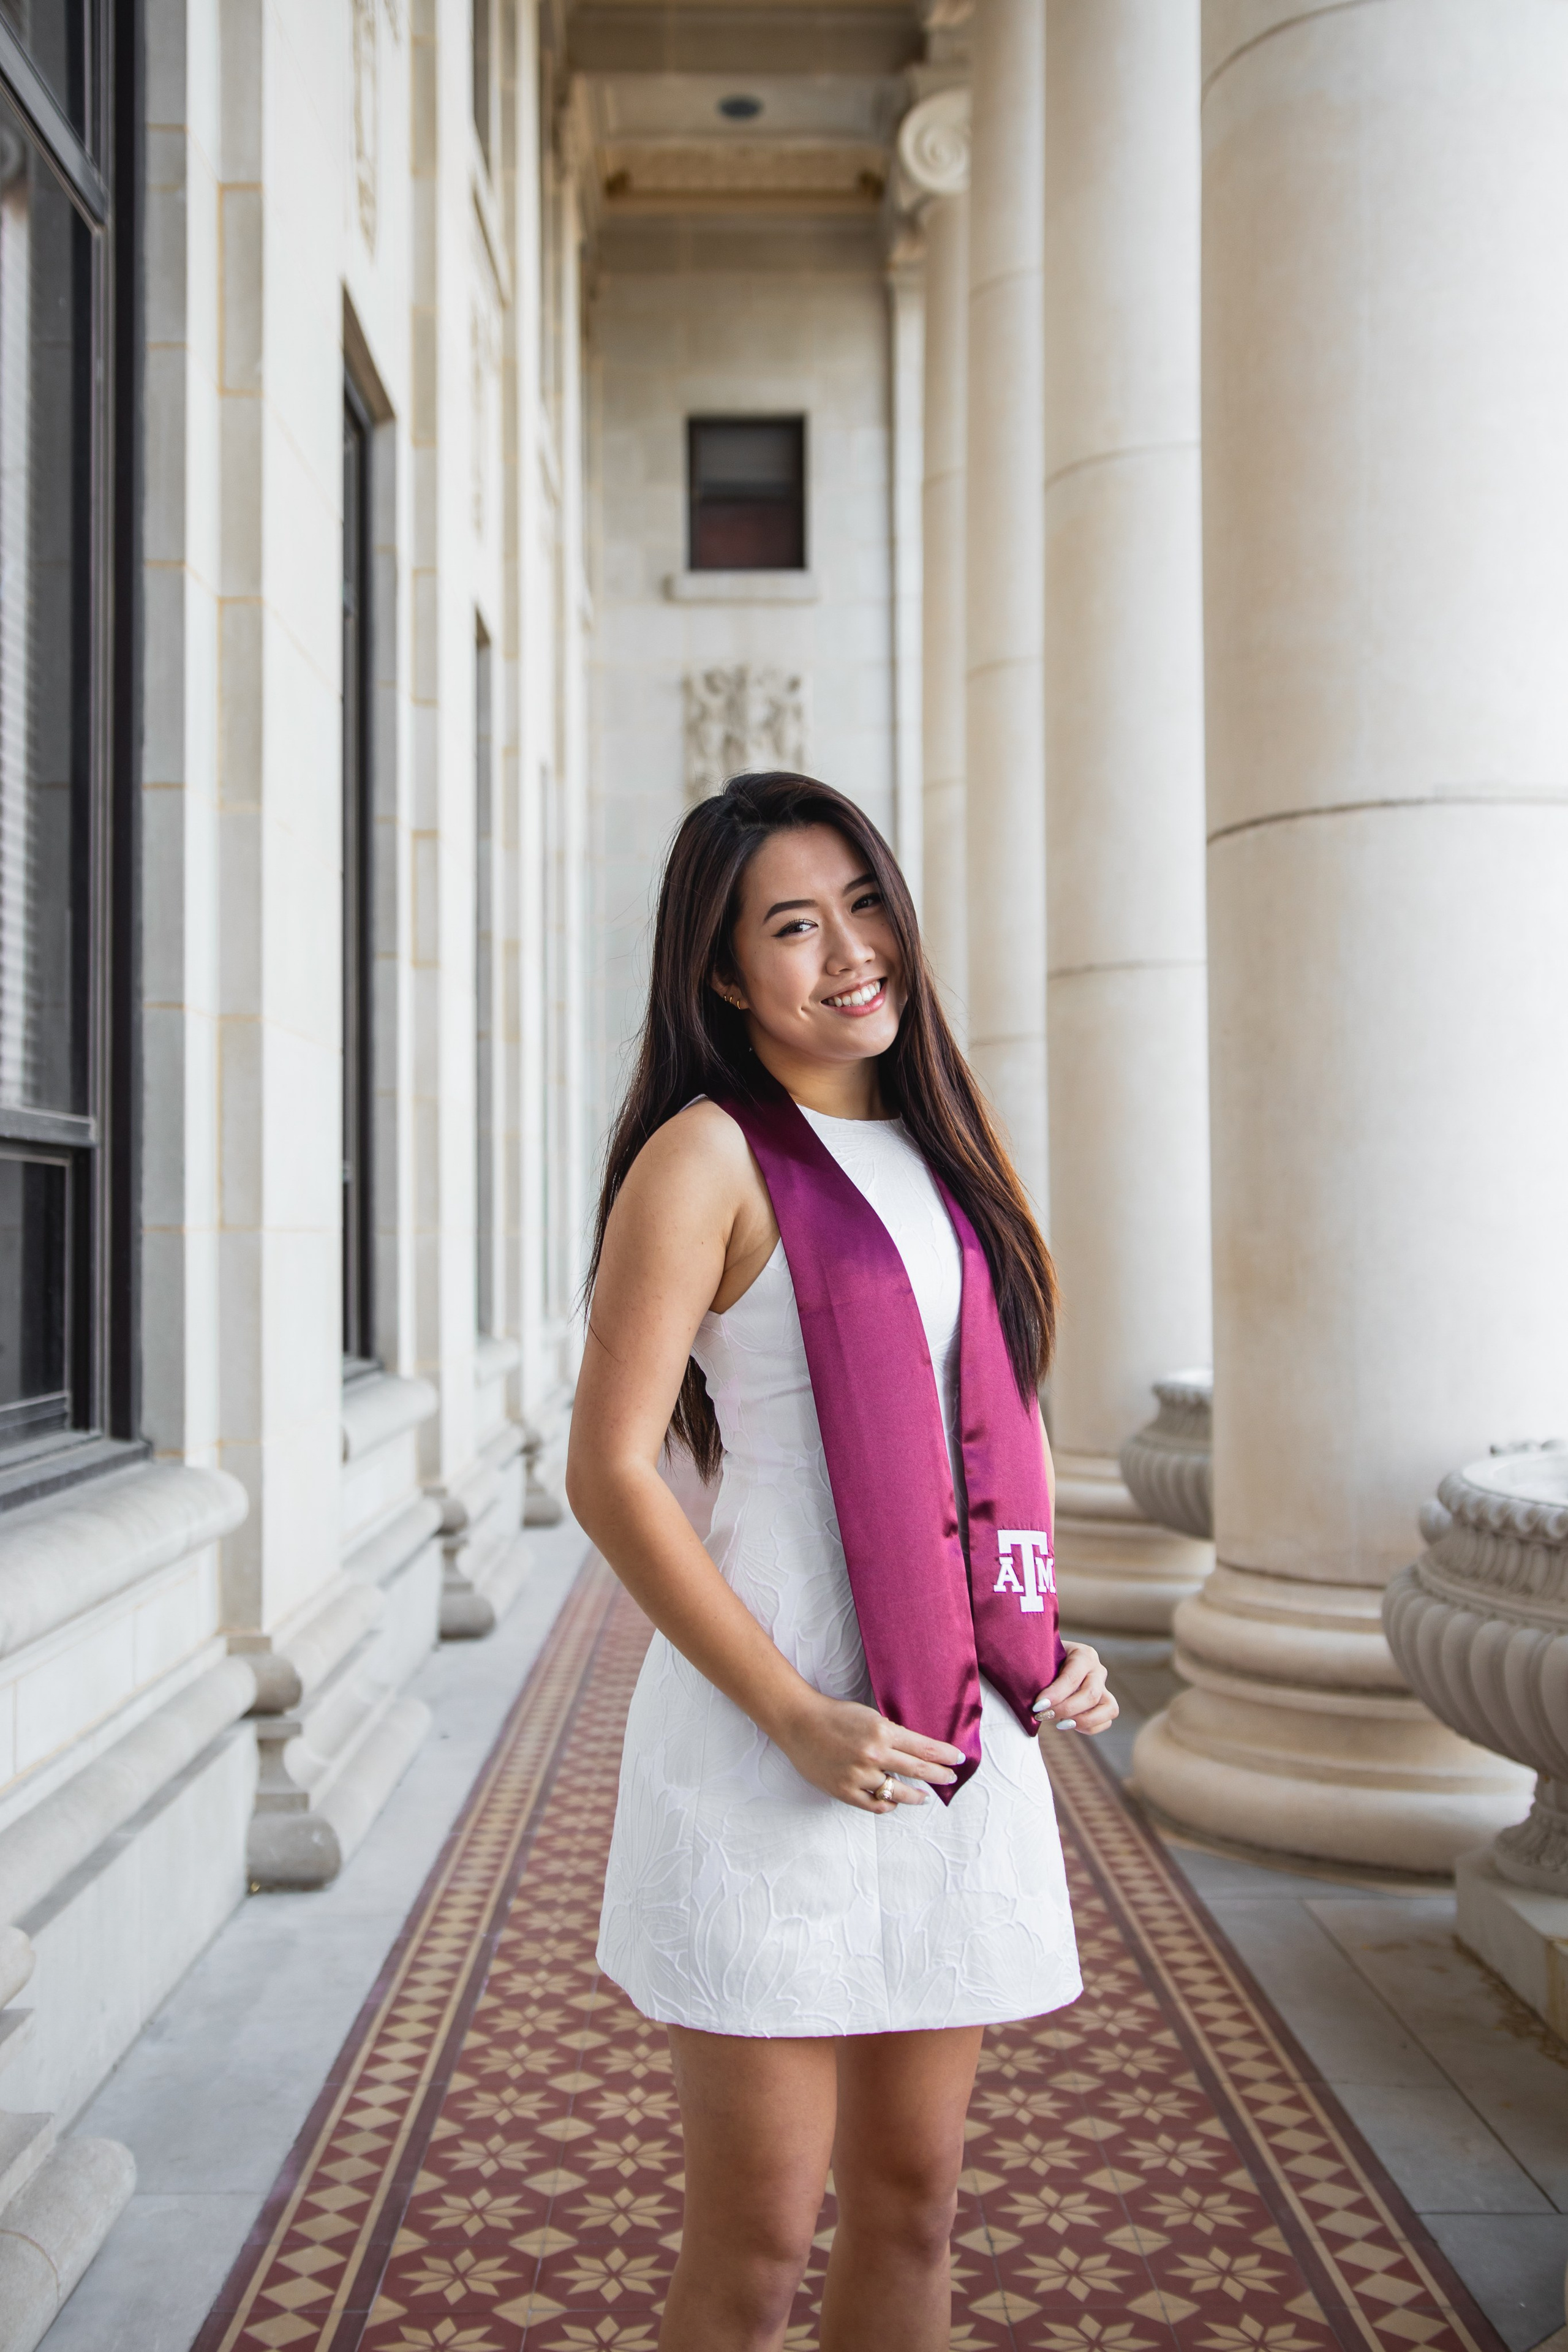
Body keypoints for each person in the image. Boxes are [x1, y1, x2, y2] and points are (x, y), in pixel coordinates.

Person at [566, 771, 1118, 2352]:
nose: (850, 950)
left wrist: (1041, 1637)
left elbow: (981, 1453)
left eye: (864, 903)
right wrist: (790, 1715)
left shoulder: (950, 1158)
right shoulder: (708, 1160)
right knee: (752, 2248)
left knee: (915, 2205)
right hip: (772, 1754)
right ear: (727, 974)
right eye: (794, 927)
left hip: (949, 1742)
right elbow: (608, 1473)